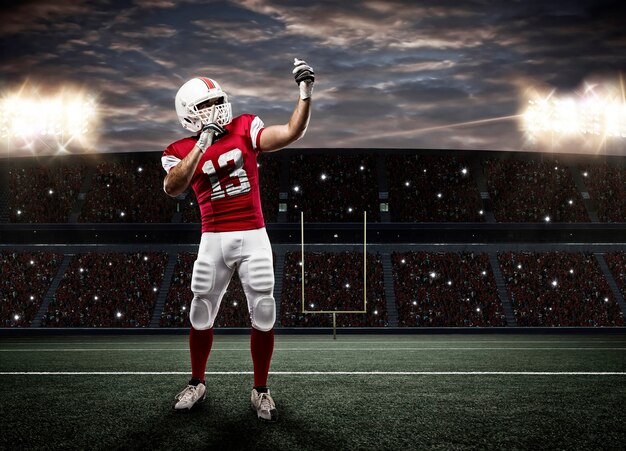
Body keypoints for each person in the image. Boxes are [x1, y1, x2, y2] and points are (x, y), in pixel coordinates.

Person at [161, 58, 314, 422]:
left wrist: (304, 94)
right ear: (189, 114)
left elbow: (291, 132)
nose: (217, 109)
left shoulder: (245, 127)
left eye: (219, 101)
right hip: (212, 238)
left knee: (263, 309)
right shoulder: (178, 150)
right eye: (207, 105)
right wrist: (203, 142)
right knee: (201, 312)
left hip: (252, 233)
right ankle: (197, 381)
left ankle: (260, 389)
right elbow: (173, 187)